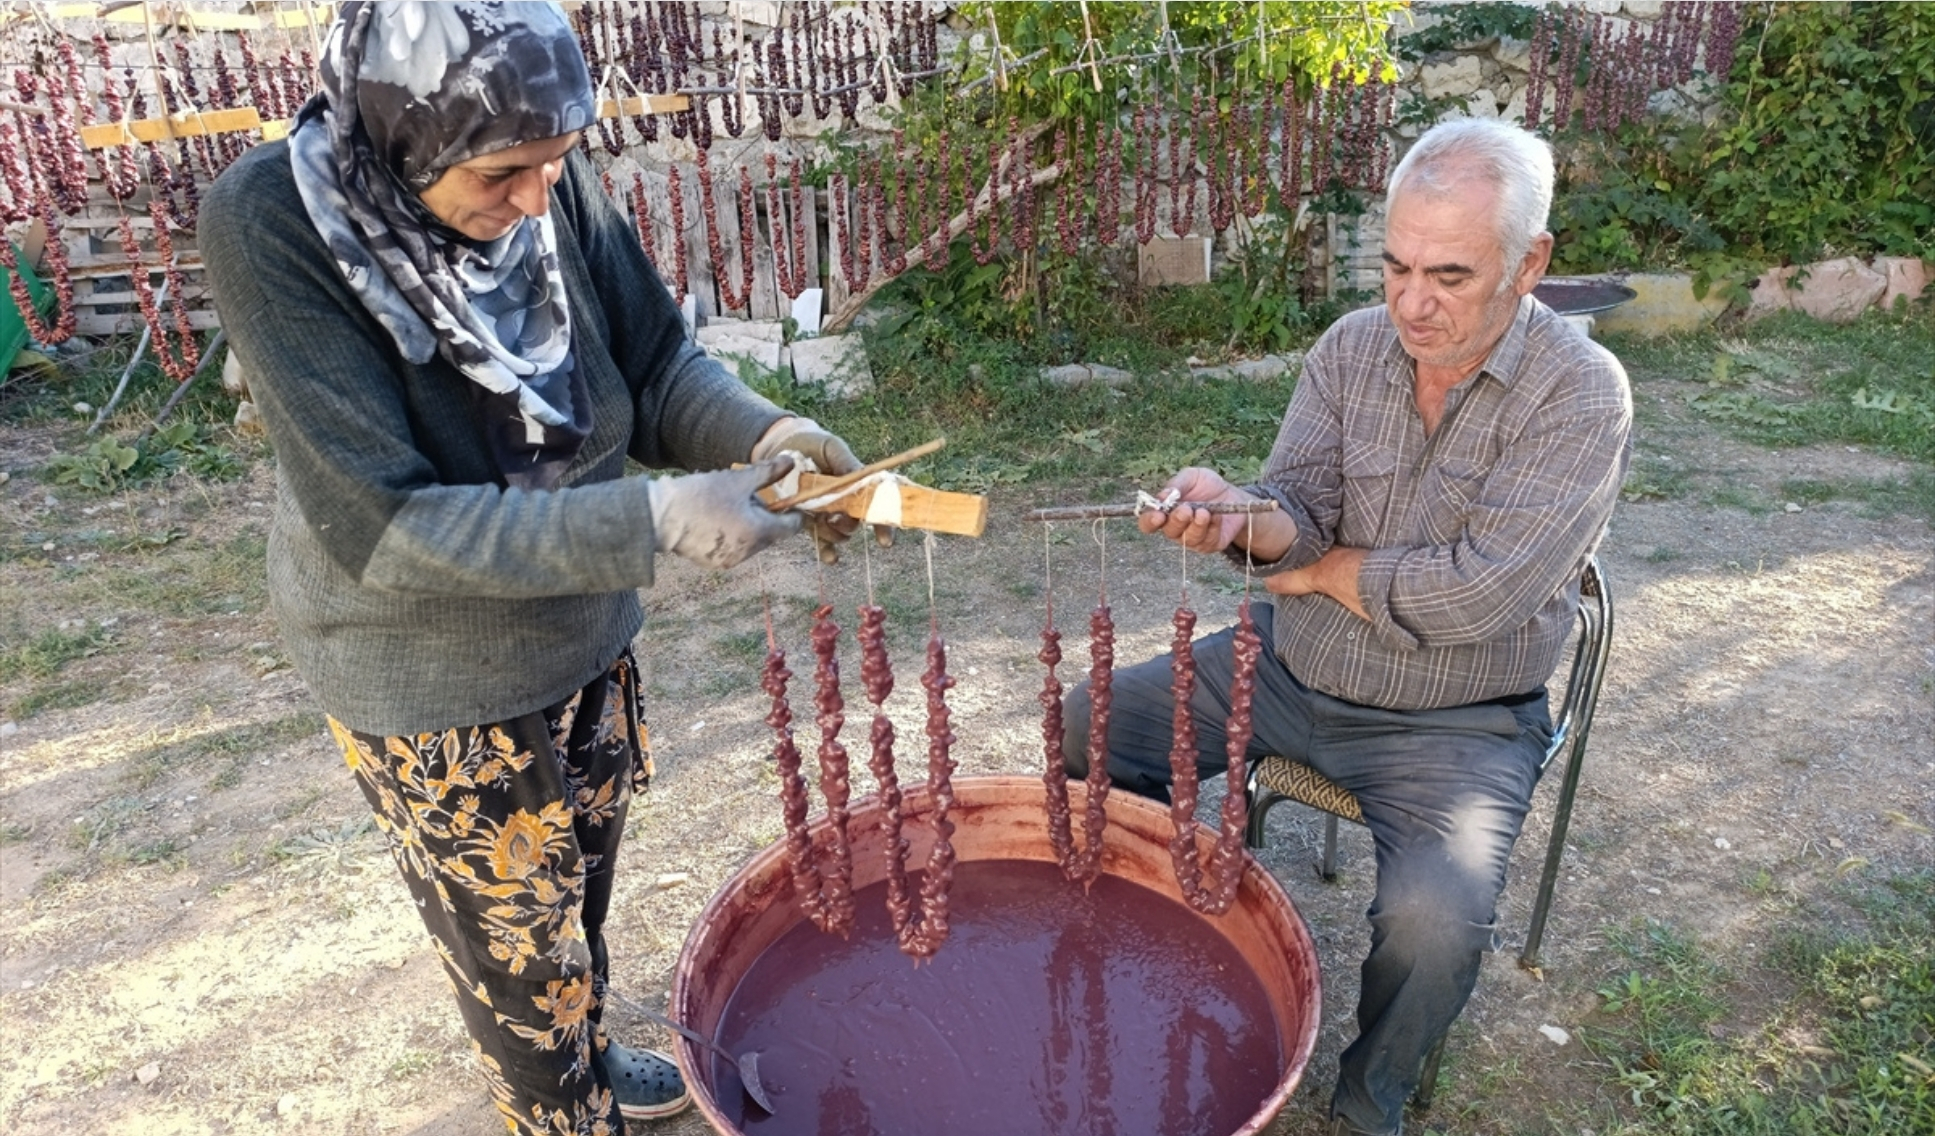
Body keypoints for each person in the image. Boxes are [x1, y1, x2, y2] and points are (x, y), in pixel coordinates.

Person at [200, 4, 872, 1131]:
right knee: (517, 962)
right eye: (506, 173)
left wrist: (766, 435)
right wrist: (654, 519)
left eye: (554, 165)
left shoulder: (538, 161)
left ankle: (589, 1058)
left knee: (577, 906)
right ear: (403, 134)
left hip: (582, 631)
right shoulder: (273, 223)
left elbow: (655, 364)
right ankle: (564, 1107)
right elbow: (386, 525)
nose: (537, 200)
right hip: (428, 674)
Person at [1063, 117, 1632, 1136]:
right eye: (1396, 265)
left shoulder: (1583, 394)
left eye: (1451, 276)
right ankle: (1142, 928)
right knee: (1085, 719)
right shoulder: (1351, 348)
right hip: (1290, 664)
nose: (1413, 303)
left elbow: (1481, 593)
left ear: (1530, 262)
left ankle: (1369, 1100)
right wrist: (1237, 513)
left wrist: (1316, 569)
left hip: (1457, 720)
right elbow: (1300, 504)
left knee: (1434, 921)